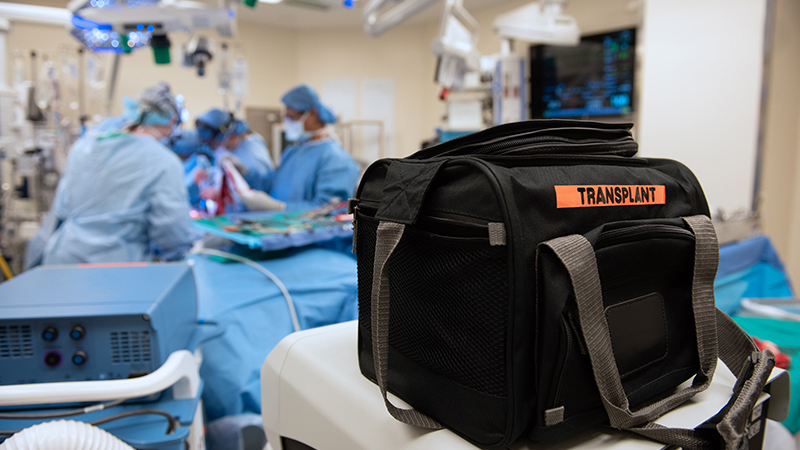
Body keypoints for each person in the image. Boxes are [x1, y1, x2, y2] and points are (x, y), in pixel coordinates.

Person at [24, 82, 202, 268]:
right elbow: (172, 232)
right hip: (115, 266)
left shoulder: (85, 145)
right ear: (173, 120)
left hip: (63, 260)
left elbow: (62, 207)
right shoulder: (163, 161)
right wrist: (192, 246)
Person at [241, 84, 359, 212]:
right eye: (285, 117)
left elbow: (329, 210)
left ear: (312, 113)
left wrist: (280, 208)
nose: (287, 122)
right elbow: (272, 185)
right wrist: (246, 173)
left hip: (305, 231)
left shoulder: (336, 159)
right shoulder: (292, 152)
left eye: (292, 117)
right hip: (279, 227)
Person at [195, 109, 274, 192]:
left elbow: (262, 187)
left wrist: (245, 172)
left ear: (230, 135)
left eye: (214, 144)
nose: (213, 148)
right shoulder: (231, 148)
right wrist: (209, 174)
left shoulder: (253, 153)